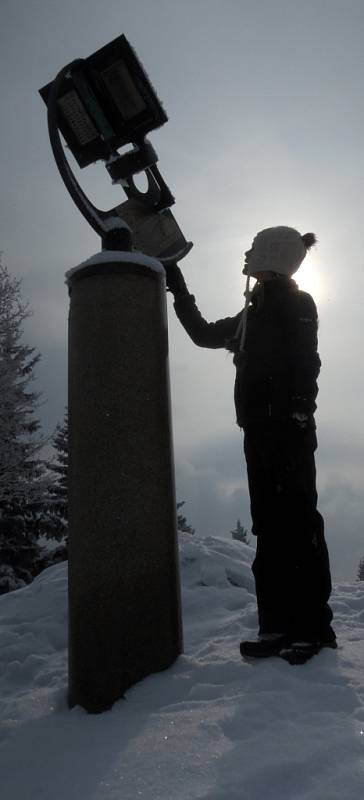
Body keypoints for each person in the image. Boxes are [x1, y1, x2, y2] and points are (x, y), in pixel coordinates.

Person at [165, 225, 336, 665]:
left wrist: (300, 408)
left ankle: (313, 629)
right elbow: (203, 334)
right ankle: (276, 625)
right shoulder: (251, 313)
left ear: (273, 255)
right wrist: (177, 283)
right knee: (268, 528)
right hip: (258, 432)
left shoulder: (298, 303)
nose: (246, 254)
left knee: (298, 525)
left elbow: (307, 359)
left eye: (254, 249)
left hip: (289, 431)